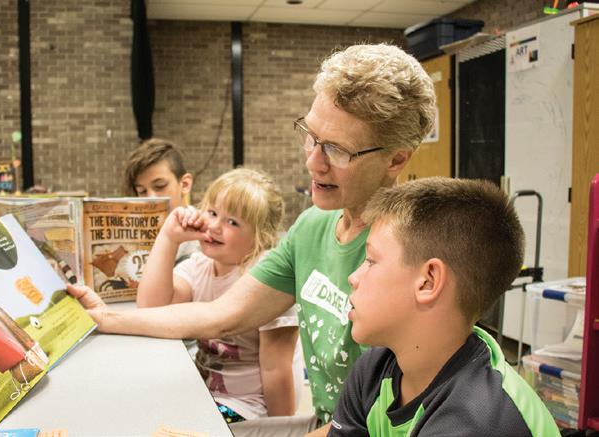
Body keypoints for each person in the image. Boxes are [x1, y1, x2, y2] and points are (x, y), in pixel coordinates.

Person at [68, 43, 436, 434]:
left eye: (337, 150)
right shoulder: (312, 227)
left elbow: (373, 427)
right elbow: (222, 314)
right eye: (311, 137)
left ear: (396, 159)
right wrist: (104, 319)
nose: (313, 162)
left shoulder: (404, 255)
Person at [328, 177, 559, 436]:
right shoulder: (373, 371)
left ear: (429, 281)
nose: (353, 277)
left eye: (371, 260)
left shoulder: (479, 419)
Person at [131, 168, 302, 422]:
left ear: (261, 236)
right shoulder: (199, 265)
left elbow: (275, 368)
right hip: (205, 395)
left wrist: (279, 429)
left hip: (248, 407)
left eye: (232, 222)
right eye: (212, 213)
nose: (214, 226)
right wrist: (169, 238)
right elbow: (151, 310)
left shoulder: (267, 280)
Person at [123, 137, 197, 263]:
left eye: (160, 186)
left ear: (184, 184)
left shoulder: (203, 237)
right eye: (142, 191)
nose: (150, 199)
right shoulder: (133, 234)